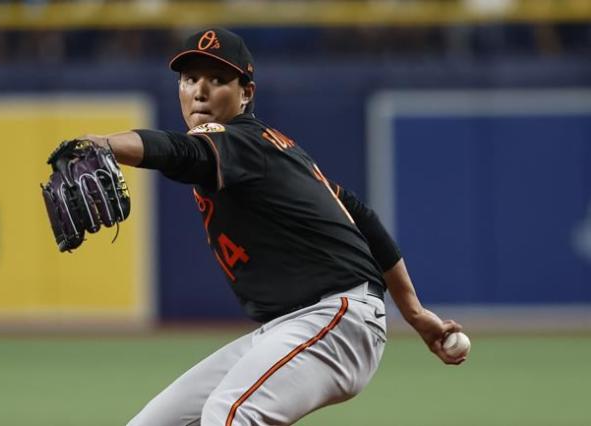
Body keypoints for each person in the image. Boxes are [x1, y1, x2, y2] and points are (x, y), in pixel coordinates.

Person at [79, 28, 467, 426]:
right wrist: (415, 313)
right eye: (190, 78)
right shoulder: (272, 153)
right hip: (295, 326)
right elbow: (359, 215)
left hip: (336, 318)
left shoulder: (240, 140)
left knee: (230, 414)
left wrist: (102, 144)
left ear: (246, 93)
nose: (200, 91)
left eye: (217, 79)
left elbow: (180, 152)